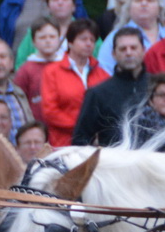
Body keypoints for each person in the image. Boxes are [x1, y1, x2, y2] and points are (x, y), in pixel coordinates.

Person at [73, 26, 152, 145]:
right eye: (123, 49)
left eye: (133, 48)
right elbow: (80, 140)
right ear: (114, 54)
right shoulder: (98, 94)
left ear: (143, 50)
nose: (129, 53)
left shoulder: (159, 88)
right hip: (115, 161)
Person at [39, 18, 107, 146]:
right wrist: (82, 126)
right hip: (63, 143)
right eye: (83, 39)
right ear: (70, 42)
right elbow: (50, 111)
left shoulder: (103, 75)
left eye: (92, 40)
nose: (88, 43)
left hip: (96, 144)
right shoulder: (52, 72)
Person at [97, 0, 165, 71]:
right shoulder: (115, 38)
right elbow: (104, 72)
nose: (144, 4)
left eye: (150, 0)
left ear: (160, 7)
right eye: (138, 0)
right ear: (129, 7)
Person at [13, 17, 65, 118]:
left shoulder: (67, 66)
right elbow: (18, 101)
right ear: (33, 42)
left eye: (52, 37)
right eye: (42, 37)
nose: (48, 41)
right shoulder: (26, 70)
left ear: (59, 40)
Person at [13, 0, 77, 65]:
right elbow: (21, 62)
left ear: (74, 6)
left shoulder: (84, 31)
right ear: (48, 7)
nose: (60, 3)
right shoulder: (36, 30)